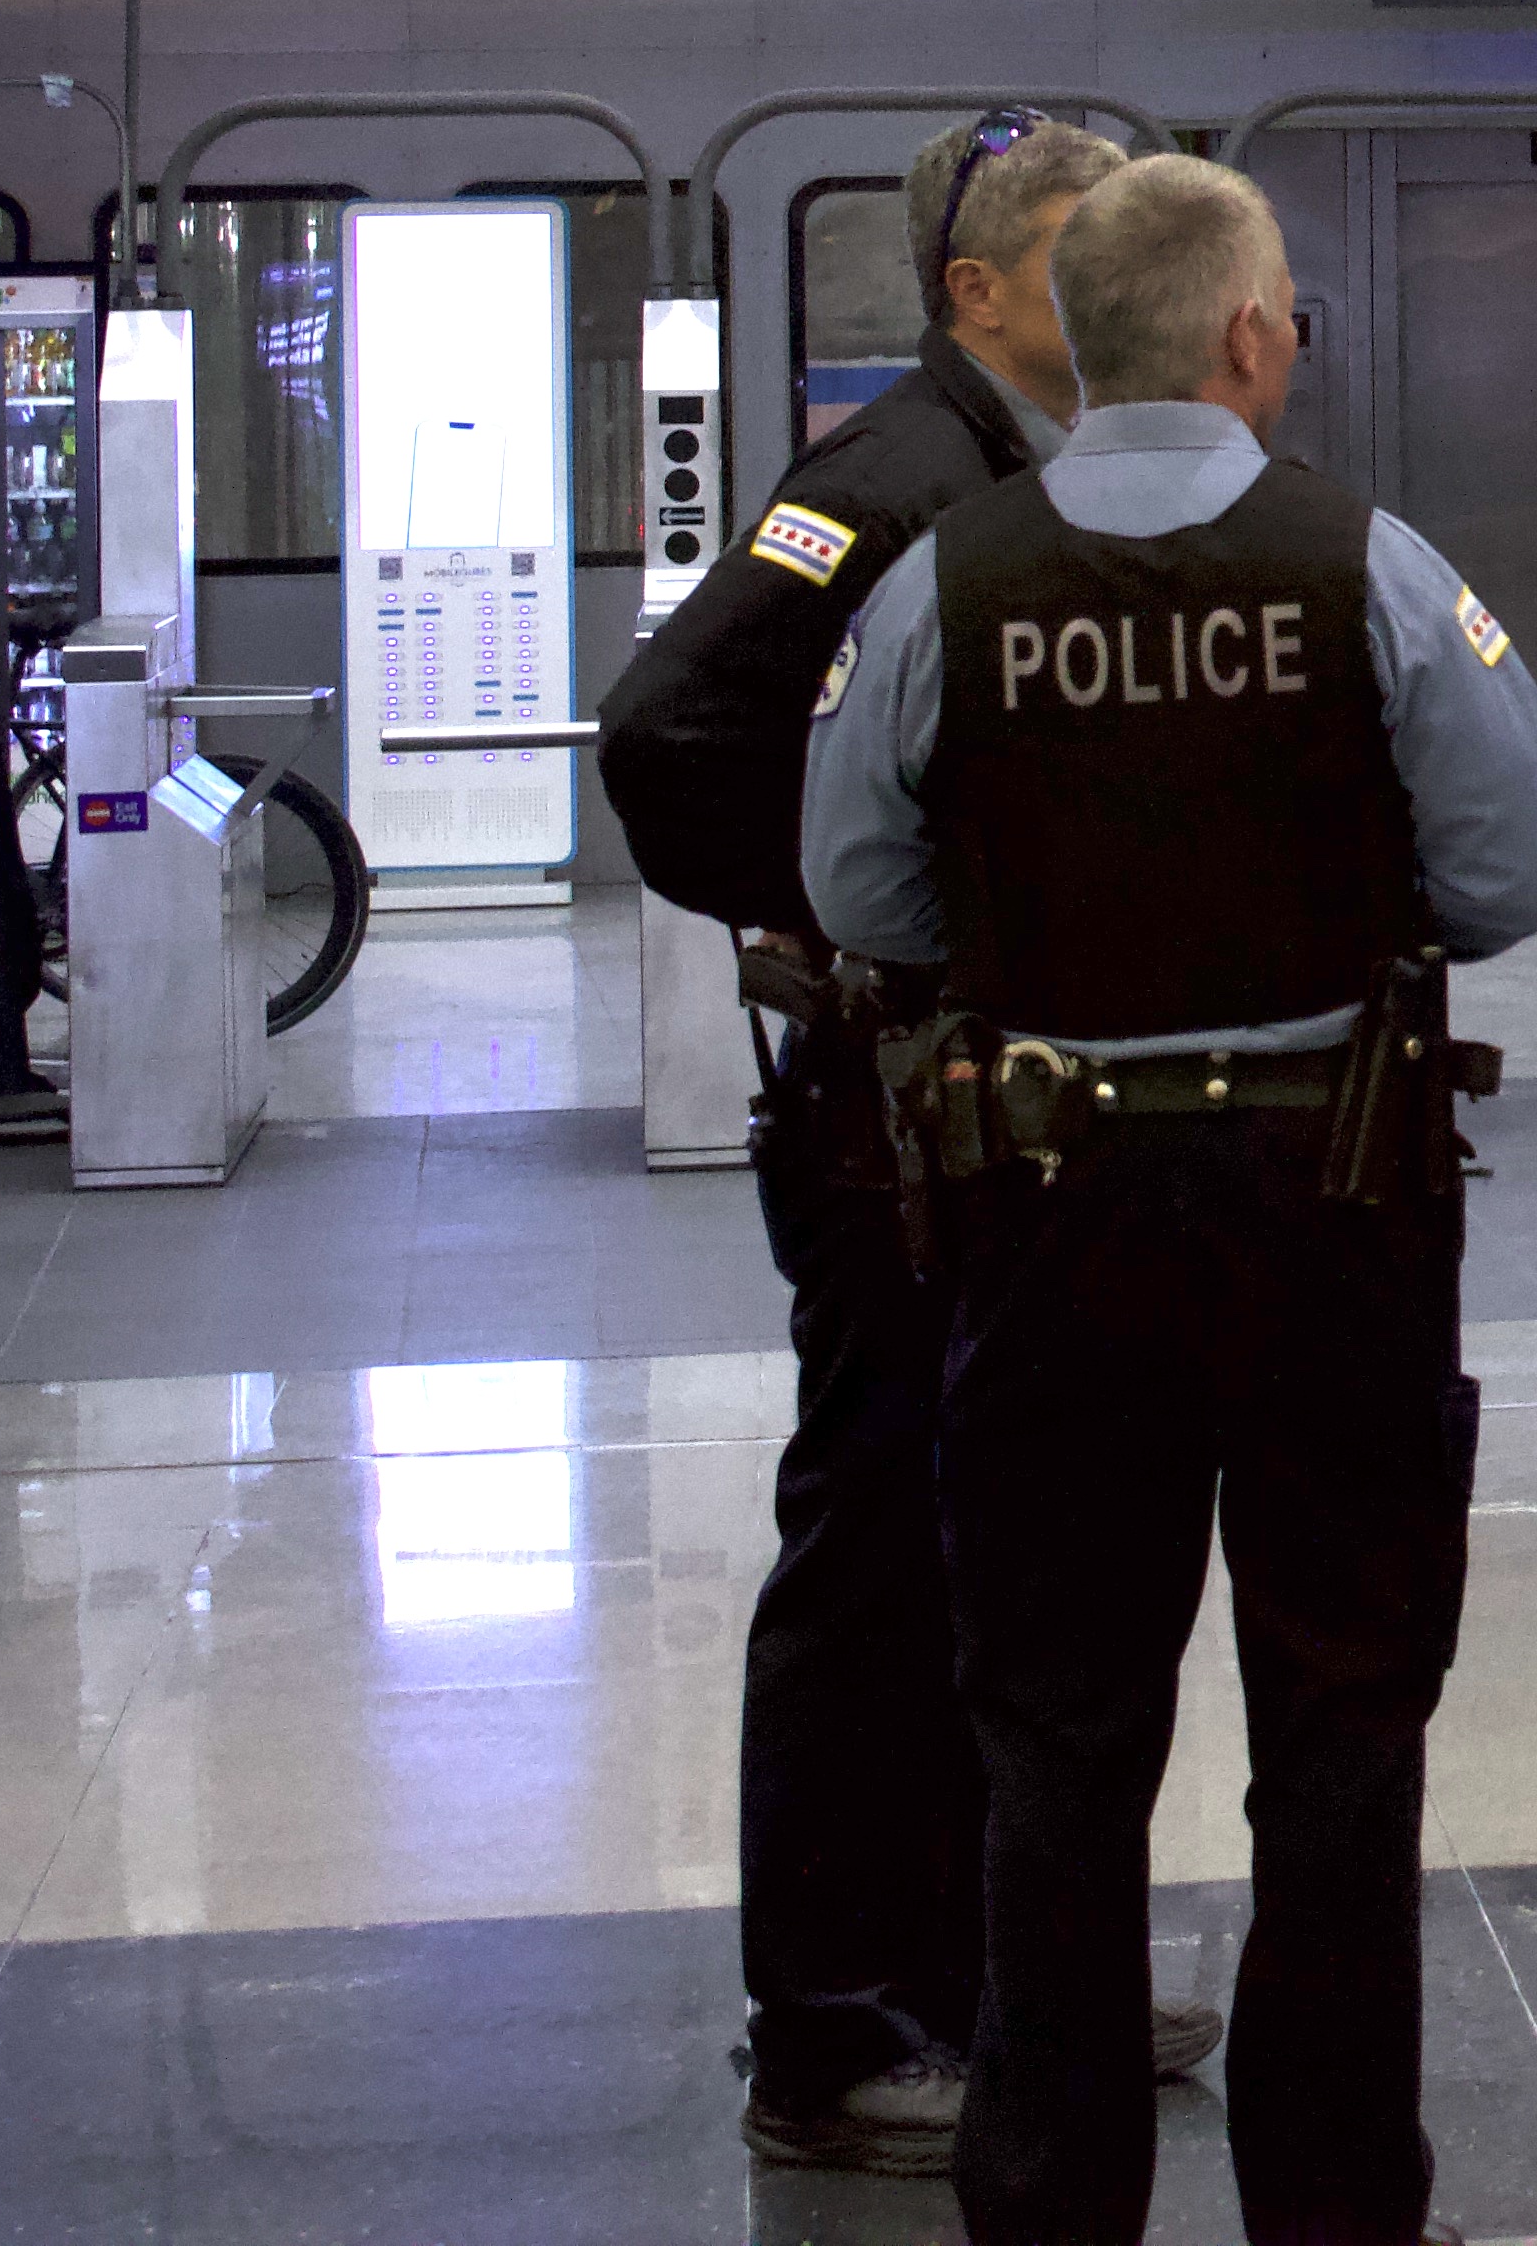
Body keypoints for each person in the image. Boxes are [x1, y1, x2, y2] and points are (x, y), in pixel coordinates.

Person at [801, 157, 1537, 2246]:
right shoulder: (1374, 566)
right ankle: (1335, 2197)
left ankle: (1051, 2196)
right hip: (1333, 1204)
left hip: (1045, 1218)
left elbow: (858, 888)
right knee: (1341, 1714)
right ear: (1247, 334)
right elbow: (1513, 871)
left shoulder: (940, 581)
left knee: (1052, 1730)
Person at [592, 108, 1219, 2181]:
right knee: (877, 1555)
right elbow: (670, 730)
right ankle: (837, 2024)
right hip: (887, 1124)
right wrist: (848, 930)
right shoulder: (890, 482)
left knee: (1003, 1549)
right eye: (1081, 240)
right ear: (976, 291)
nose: (1130, 266)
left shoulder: (1044, 475)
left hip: (1002, 1115)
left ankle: (1001, 1977)